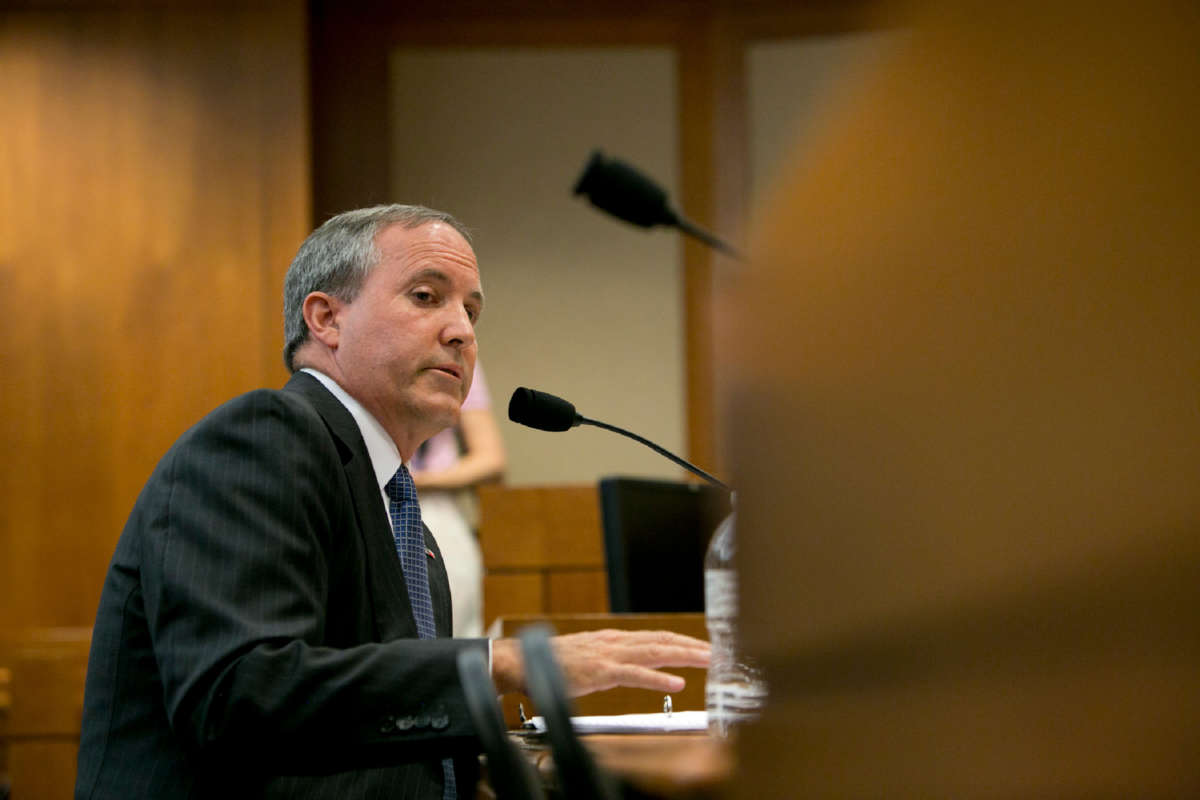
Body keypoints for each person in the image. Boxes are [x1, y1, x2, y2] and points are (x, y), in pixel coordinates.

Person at [75, 205, 710, 800]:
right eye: (426, 297)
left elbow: (390, 731)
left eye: (472, 312)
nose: (462, 331)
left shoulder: (411, 528)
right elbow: (243, 696)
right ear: (326, 319)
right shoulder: (264, 439)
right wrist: (504, 663)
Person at [409, 361, 504, 638]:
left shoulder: (458, 361)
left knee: (453, 632)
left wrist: (415, 481)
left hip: (436, 510)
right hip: (370, 501)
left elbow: (491, 458)